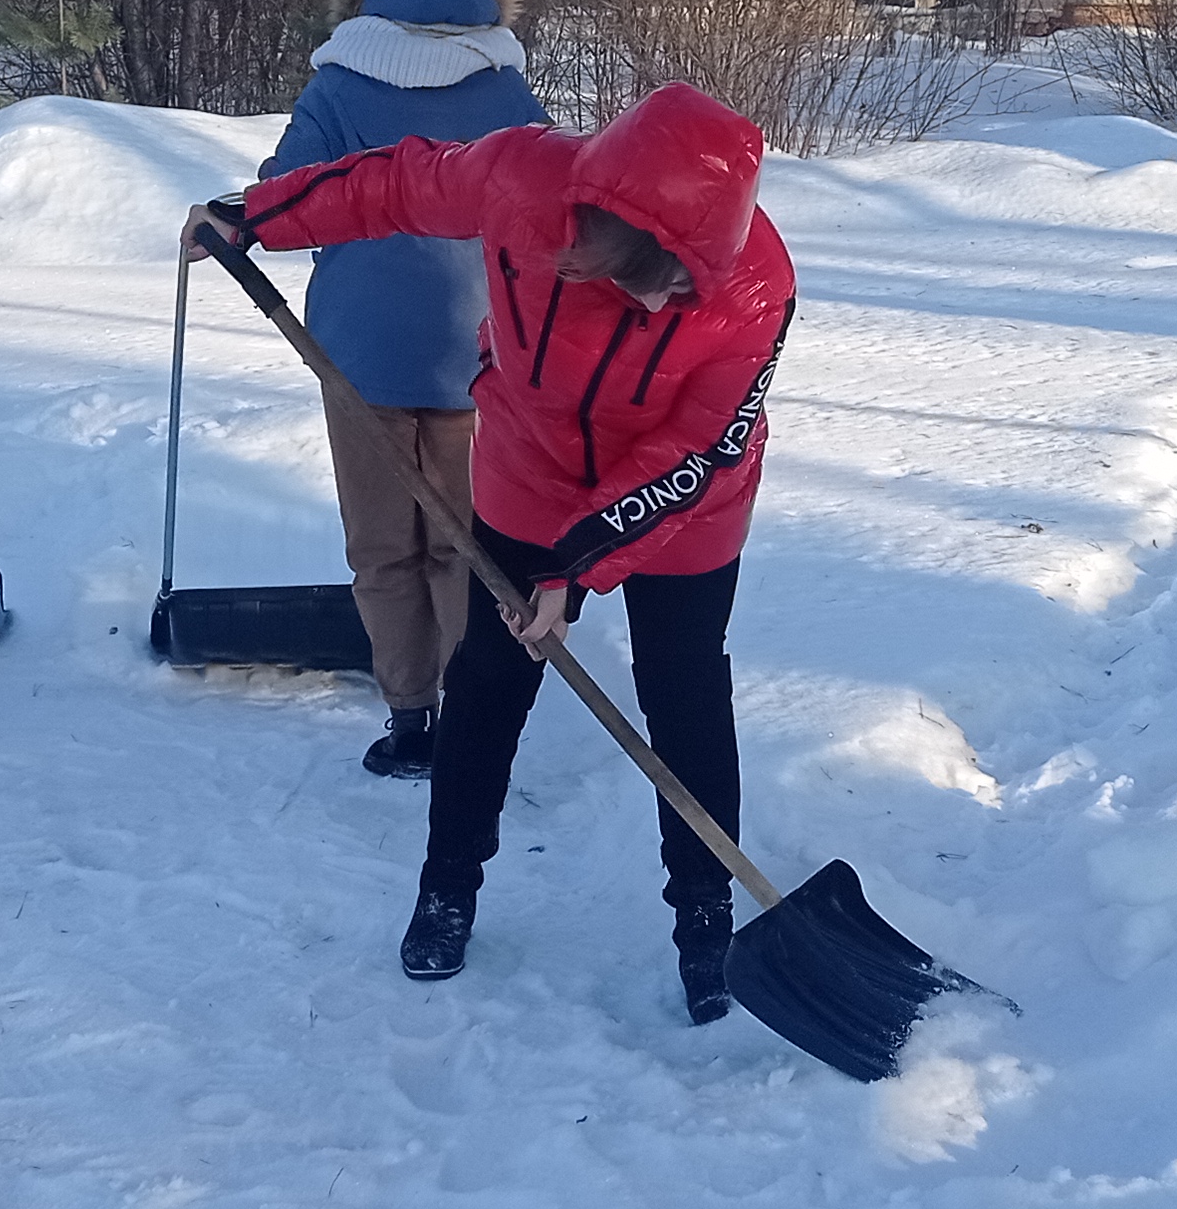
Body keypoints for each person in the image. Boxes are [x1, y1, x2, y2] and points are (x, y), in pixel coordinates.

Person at [192, 83, 793, 1026]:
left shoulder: (750, 286)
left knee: (685, 693)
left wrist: (576, 567)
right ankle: (448, 887)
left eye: (696, 274)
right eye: (665, 273)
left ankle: (706, 917)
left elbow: (701, 449)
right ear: (602, 240)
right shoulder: (524, 178)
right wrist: (260, 217)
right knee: (491, 679)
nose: (684, 294)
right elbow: (393, 185)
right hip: (528, 473)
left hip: (683, 510)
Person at [259, 0, 548, 780]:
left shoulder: (341, 78)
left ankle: (410, 717)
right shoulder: (503, 78)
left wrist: (230, 219)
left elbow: (283, 198)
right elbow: (544, 200)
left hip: (363, 351)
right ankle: (474, 713)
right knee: (465, 539)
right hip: (480, 349)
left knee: (385, 540)